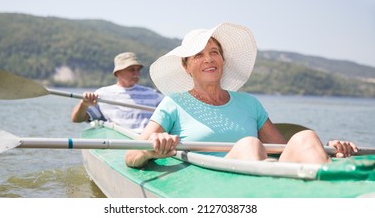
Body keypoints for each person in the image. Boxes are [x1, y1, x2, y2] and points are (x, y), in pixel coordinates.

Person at [125, 22, 358, 168]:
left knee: (306, 137)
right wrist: (150, 149)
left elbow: (285, 150)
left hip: (260, 174)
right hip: (214, 184)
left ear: (222, 61)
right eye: (198, 55)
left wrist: (330, 150)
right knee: (249, 144)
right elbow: (131, 155)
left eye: (214, 52)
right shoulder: (174, 103)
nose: (208, 59)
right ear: (186, 67)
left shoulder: (249, 103)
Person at [71, 52, 163, 132]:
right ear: (118, 72)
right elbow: (77, 119)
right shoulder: (102, 94)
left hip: (150, 142)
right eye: (131, 70)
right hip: (119, 144)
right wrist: (84, 104)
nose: (136, 73)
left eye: (138, 70)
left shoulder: (152, 94)